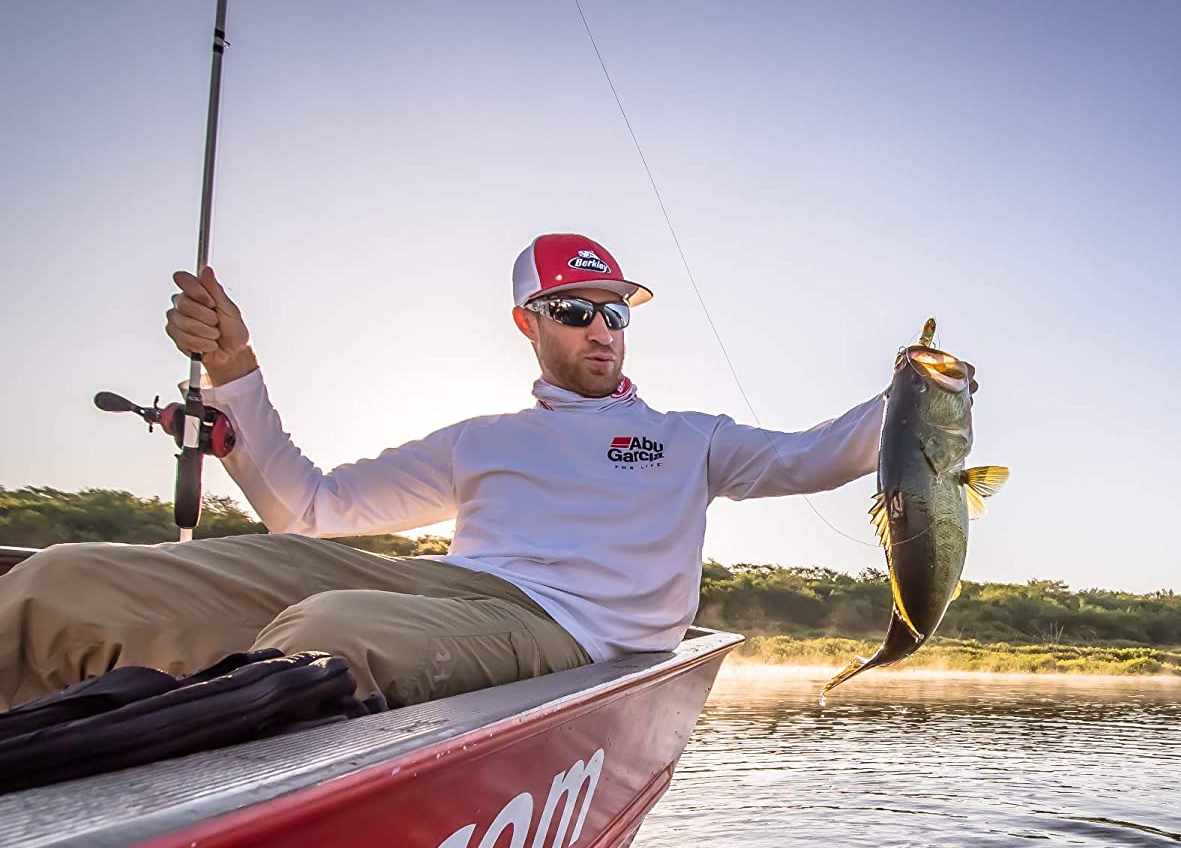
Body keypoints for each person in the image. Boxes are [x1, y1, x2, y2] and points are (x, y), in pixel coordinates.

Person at [0, 234, 885, 710]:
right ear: (527, 321)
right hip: (452, 589)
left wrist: (921, 395)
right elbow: (310, 509)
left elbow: (819, 455)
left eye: (615, 313)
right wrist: (234, 368)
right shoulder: (480, 439)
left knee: (335, 633)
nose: (601, 329)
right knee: (63, 580)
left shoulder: (691, 438)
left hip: (575, 634)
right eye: (574, 310)